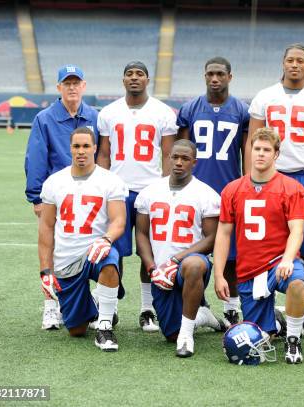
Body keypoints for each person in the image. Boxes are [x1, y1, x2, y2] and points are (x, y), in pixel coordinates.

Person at [247, 44, 304, 340]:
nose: (295, 65)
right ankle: (266, 309)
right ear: (283, 63)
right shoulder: (265, 96)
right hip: (271, 178)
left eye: (301, 61)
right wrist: (250, 179)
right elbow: (253, 141)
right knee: (266, 245)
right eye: (290, 60)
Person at [214, 128, 304, 364]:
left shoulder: (291, 188)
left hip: (279, 262)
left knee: (297, 282)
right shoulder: (233, 189)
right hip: (250, 270)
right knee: (259, 338)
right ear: (250, 151)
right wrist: (218, 275)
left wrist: (288, 259)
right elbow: (223, 235)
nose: (260, 154)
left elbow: (297, 230)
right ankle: (276, 320)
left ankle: (294, 341)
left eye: (267, 150)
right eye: (257, 148)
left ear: (276, 154)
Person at [96, 61, 178, 332]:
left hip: (150, 190)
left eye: (139, 74)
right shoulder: (109, 113)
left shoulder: (162, 112)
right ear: (123, 80)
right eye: (129, 74)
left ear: (147, 79)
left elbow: (168, 154)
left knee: (150, 253)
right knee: (114, 251)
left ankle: (147, 309)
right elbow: (104, 154)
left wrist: (166, 188)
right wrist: (102, 185)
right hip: (117, 191)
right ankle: (111, 308)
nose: (134, 78)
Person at [37, 127, 127, 351]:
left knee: (109, 259)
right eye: (76, 146)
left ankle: (105, 326)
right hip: (66, 259)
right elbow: (46, 227)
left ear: (95, 148)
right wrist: (46, 270)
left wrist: (105, 240)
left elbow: (119, 221)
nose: (81, 151)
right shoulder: (54, 182)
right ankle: (95, 303)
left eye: (86, 146)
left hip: (94, 250)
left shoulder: (110, 180)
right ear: (70, 149)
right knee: (76, 330)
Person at [135, 140, 225, 357]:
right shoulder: (149, 192)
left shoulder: (206, 194)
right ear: (168, 158)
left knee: (193, 264)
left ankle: (187, 336)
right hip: (161, 273)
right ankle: (203, 315)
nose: (178, 162)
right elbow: (141, 234)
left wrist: (176, 260)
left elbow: (212, 237)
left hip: (189, 267)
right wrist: (152, 268)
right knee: (170, 334)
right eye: (175, 157)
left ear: (194, 162)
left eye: (185, 159)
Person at [25, 64, 99, 330]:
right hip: (57, 197)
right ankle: (50, 307)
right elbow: (36, 158)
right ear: (58, 88)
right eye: (66, 83)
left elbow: (100, 155)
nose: (71, 87)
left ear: (83, 86)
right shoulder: (44, 118)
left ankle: (86, 305)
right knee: (52, 249)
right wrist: (36, 197)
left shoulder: (93, 116)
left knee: (89, 249)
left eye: (75, 82)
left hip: (90, 196)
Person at [177, 57, 249, 325]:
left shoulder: (241, 110)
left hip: (228, 188)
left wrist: (247, 183)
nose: (214, 79)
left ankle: (231, 307)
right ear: (204, 76)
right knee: (194, 247)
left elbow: (247, 151)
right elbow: (181, 151)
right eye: (210, 74)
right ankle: (199, 303)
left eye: (220, 74)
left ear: (230, 77)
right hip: (195, 190)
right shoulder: (191, 108)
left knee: (230, 254)